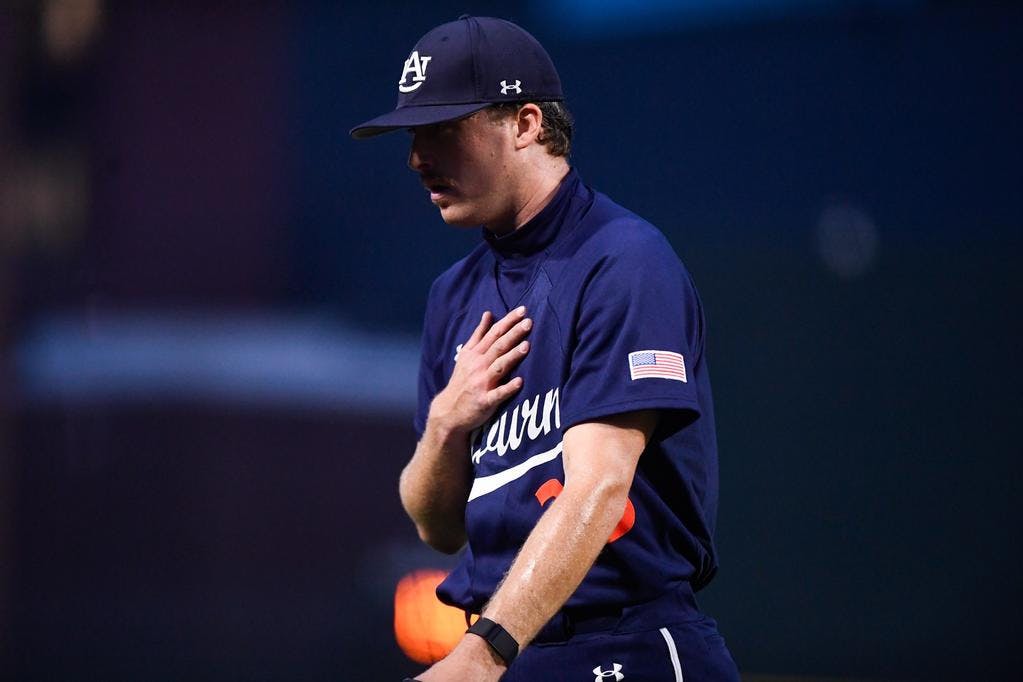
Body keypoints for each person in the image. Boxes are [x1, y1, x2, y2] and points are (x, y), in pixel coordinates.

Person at [351, 15, 740, 681]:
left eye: (442, 129)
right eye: (412, 135)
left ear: (526, 123)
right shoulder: (454, 295)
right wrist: (446, 424)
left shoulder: (621, 261)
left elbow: (600, 488)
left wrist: (479, 653)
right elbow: (435, 527)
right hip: (509, 648)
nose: (418, 157)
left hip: (625, 643)